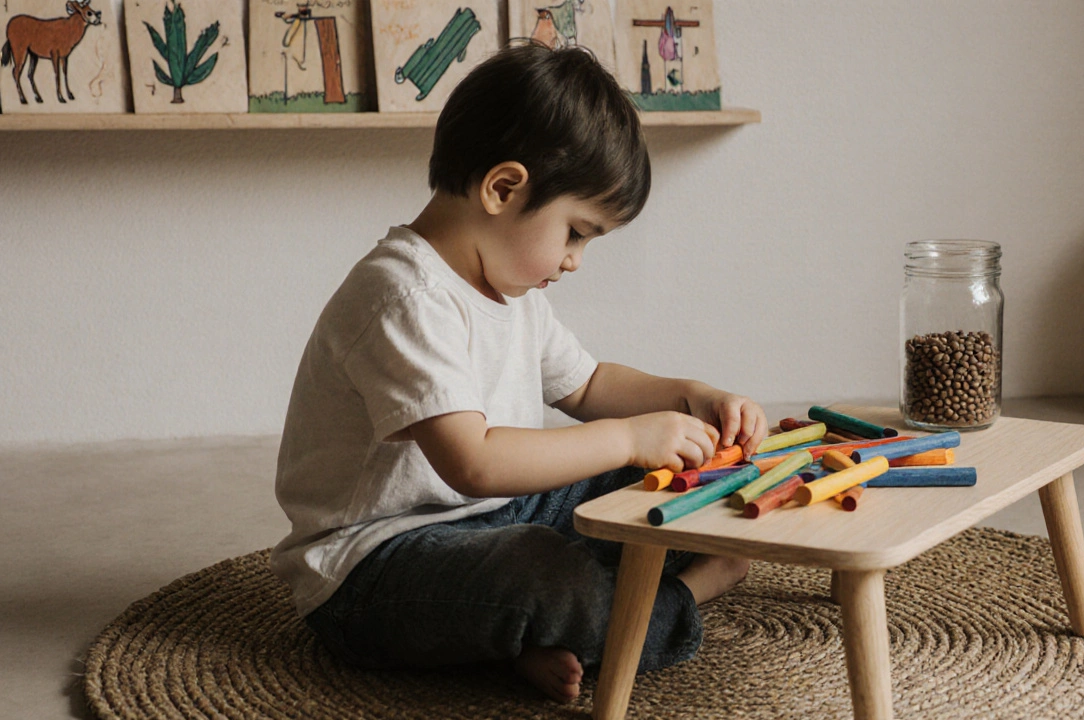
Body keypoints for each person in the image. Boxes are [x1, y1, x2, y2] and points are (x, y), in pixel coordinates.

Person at [269, 43, 769, 704]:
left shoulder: (513, 294)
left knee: (669, 482)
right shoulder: (403, 297)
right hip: (376, 565)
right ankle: (682, 596)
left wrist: (692, 396)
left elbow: (588, 387)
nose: (574, 262)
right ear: (503, 189)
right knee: (545, 573)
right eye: (575, 233)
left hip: (498, 516)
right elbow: (472, 465)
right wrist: (627, 438)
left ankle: (527, 638)